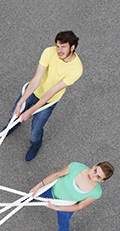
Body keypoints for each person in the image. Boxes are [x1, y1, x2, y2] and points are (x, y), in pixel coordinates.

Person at [5, 31, 83, 162]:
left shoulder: (76, 69)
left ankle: (36, 146)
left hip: (49, 100)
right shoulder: (49, 52)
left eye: (63, 46)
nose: (59, 50)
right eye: (57, 46)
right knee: (15, 113)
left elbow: (51, 92)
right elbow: (36, 79)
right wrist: (20, 103)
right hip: (35, 91)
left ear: (72, 47)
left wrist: (30, 111)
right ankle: (12, 126)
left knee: (35, 131)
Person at [29, 161, 113, 231]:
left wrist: (56, 207)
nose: (93, 175)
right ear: (95, 165)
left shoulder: (96, 193)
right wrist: (38, 186)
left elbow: (80, 206)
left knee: (63, 225)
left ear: (102, 181)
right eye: (95, 170)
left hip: (66, 206)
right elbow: (57, 174)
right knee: (34, 194)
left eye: (98, 177)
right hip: (51, 191)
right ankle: (32, 197)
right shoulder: (75, 167)